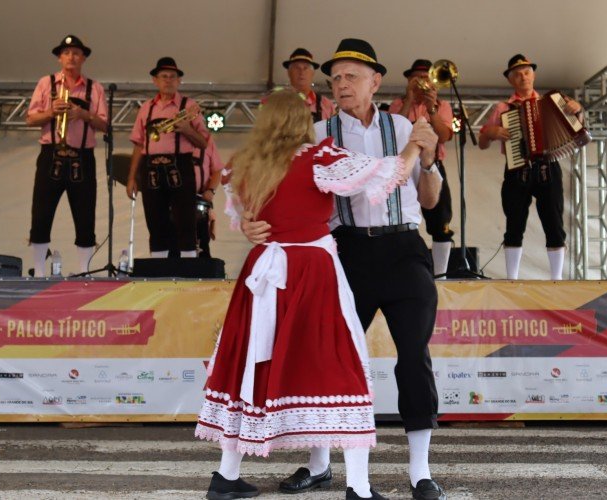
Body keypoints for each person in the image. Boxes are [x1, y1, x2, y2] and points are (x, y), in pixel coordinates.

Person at [196, 89, 436, 500]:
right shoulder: (317, 159)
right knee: (339, 363)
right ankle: (358, 487)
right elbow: (388, 175)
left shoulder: (246, 164)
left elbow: (243, 214)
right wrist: (414, 144)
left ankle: (226, 475)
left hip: (263, 271)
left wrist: (256, 224)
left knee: (251, 366)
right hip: (310, 270)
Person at [478, 54, 582, 280]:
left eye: (526, 72)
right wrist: (492, 133)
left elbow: (577, 128)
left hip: (549, 166)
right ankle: (512, 278)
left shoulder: (553, 102)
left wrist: (577, 110)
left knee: (554, 224)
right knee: (514, 224)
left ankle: (557, 278)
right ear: (510, 80)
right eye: (517, 74)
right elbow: (482, 142)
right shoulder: (503, 108)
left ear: (533, 75)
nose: (522, 77)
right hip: (517, 170)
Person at [26, 34, 108, 277]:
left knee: (85, 213)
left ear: (83, 58)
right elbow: (30, 118)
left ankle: (84, 270)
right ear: (60, 58)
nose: (71, 57)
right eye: (66, 53)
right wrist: (52, 112)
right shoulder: (46, 83)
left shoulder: (95, 88)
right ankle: (39, 270)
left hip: (82, 156)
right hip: (51, 153)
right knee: (41, 212)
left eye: (76, 53)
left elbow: (105, 125)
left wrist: (83, 115)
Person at [126, 57, 210, 258]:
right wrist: (131, 178)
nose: (168, 80)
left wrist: (187, 129)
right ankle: (159, 271)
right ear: (155, 80)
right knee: (155, 221)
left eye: (173, 76)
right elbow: (139, 144)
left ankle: (189, 269)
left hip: (180, 166)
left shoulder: (188, 106)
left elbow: (203, 142)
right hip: (151, 168)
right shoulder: (146, 108)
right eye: (164, 76)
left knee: (186, 221)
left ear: (179, 81)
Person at [389, 59, 455, 278]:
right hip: (404, 167)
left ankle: (441, 275)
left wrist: (432, 108)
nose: (421, 83)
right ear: (408, 81)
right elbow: (392, 131)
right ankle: (402, 272)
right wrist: (409, 99)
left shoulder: (441, 105)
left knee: (440, 219)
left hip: (432, 165)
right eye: (416, 79)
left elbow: (444, 136)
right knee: (401, 220)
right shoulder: (398, 104)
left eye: (426, 79)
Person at [283, 47, 336, 121]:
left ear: (312, 73)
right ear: (289, 72)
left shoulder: (326, 105)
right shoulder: (278, 102)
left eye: (305, 68)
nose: (301, 72)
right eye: (297, 68)